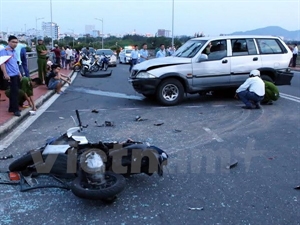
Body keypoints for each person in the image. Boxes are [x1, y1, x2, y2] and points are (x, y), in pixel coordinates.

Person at [0, 35, 23, 116]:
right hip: (10, 75)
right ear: (8, 42)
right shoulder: (4, 51)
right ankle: (15, 110)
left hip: (16, 74)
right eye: (13, 42)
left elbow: (15, 63)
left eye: (16, 42)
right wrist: (5, 74)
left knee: (14, 92)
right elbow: (2, 63)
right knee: (14, 92)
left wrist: (19, 73)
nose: (15, 44)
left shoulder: (13, 51)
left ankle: (11, 108)